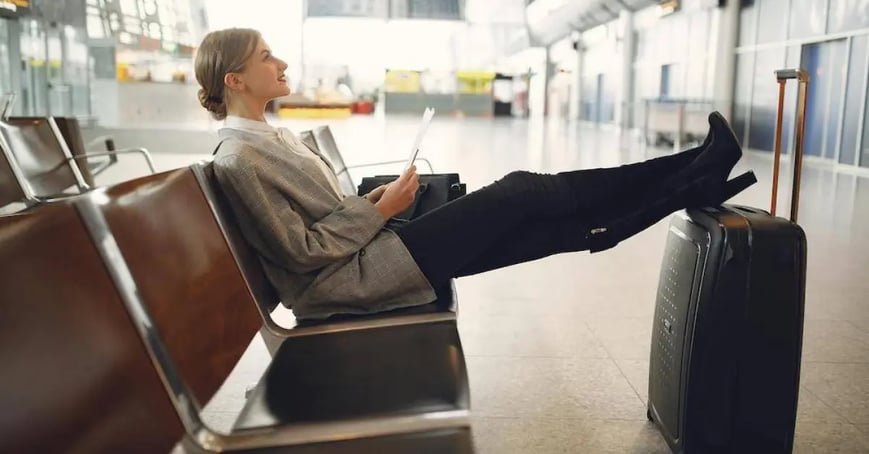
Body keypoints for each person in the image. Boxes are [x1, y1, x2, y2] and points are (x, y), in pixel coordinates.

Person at [195, 29, 756, 320]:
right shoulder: (239, 160)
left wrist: (381, 201)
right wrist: (381, 208)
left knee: (533, 227)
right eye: (266, 57)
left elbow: (323, 218)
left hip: (370, 253)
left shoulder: (271, 136)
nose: (281, 64)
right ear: (235, 80)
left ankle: (693, 175)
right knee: (521, 192)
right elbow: (299, 253)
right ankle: (693, 168)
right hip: (349, 281)